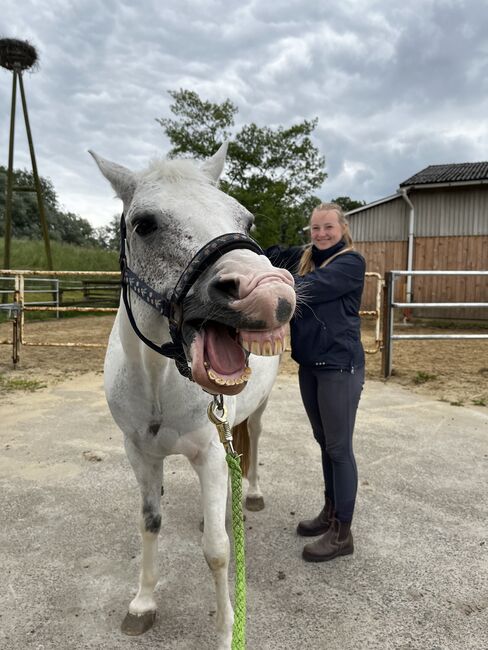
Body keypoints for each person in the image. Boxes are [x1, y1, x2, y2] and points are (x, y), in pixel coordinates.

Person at [266, 202, 365, 562]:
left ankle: (342, 533)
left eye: (328, 228)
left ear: (342, 229)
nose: (321, 234)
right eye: (315, 229)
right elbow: (273, 254)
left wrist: (276, 279)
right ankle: (329, 512)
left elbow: (311, 288)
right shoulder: (307, 255)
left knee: (339, 449)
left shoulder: (351, 263)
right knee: (324, 443)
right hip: (310, 365)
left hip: (340, 366)